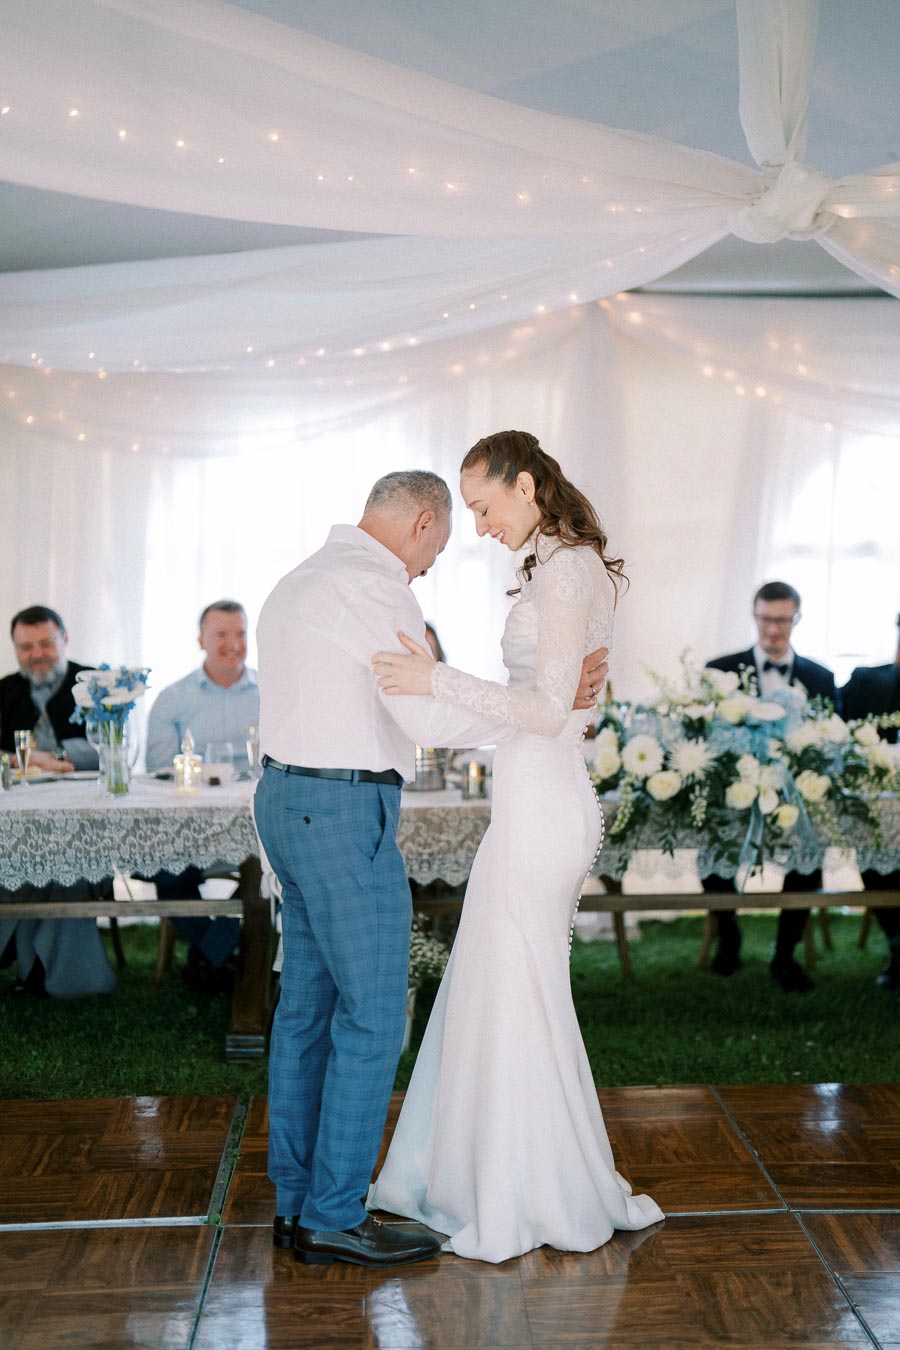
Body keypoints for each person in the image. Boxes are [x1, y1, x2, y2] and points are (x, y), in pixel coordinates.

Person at [254, 467, 608, 1269]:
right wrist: (533, 715)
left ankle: (297, 1202)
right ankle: (336, 1216)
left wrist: (534, 704)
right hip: (343, 812)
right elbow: (420, 711)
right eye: (439, 546)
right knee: (375, 1014)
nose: (429, 566)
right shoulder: (377, 588)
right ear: (419, 523)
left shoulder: (302, 578)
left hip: (285, 799)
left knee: (307, 1008)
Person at [368, 431, 663, 1264]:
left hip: (542, 807)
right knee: (506, 986)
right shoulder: (559, 565)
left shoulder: (567, 568)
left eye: (485, 505)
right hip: (532, 800)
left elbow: (543, 710)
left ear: (527, 487)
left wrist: (436, 678)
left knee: (521, 987)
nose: (479, 523)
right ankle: (498, 1175)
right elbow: (558, 699)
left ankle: (526, 1189)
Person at [705, 581, 839, 992]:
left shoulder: (821, 677)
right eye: (766, 619)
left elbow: (832, 744)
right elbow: (706, 738)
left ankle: (785, 956)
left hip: (797, 800)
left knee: (810, 852)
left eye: (782, 620)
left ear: (796, 619)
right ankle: (729, 936)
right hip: (736, 797)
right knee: (711, 846)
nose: (774, 630)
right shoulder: (720, 671)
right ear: (754, 616)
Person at [0, 605, 116, 997]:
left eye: (46, 643)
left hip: (84, 819)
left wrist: (58, 759)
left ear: (64, 639)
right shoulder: (5, 690)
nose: (37, 654)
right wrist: (20, 760)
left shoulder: (96, 685)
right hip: (18, 817)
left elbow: (111, 747)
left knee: (68, 862)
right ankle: (31, 963)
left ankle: (43, 969)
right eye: (26, 647)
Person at [145, 600, 258, 991]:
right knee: (165, 870)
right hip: (190, 824)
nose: (233, 644)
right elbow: (159, 768)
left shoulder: (273, 692)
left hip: (256, 822)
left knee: (268, 871)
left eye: (240, 633)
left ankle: (209, 958)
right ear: (201, 640)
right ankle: (226, 956)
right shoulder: (173, 699)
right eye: (222, 635)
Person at [841, 612, 900, 989]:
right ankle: (898, 943)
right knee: (872, 844)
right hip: (882, 815)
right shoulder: (865, 683)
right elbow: (834, 736)